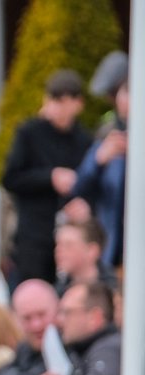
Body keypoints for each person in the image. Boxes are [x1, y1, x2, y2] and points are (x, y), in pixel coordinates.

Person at [2, 69, 92, 286]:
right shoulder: (29, 133)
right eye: (54, 99)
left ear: (78, 103)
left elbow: (90, 184)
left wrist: (82, 203)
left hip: (68, 232)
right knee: (33, 291)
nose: (58, 107)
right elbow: (10, 178)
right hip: (33, 235)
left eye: (64, 100)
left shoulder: (84, 140)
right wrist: (50, 177)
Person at [73, 55, 128, 272]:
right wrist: (99, 159)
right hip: (113, 248)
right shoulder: (109, 133)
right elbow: (80, 185)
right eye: (121, 93)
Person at [29, 280, 120, 375]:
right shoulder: (78, 350)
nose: (59, 321)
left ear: (94, 317)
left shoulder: (109, 349)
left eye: (67, 312)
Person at [53, 218, 115, 297]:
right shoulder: (58, 293)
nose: (58, 250)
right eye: (57, 244)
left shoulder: (114, 294)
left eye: (68, 245)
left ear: (92, 251)